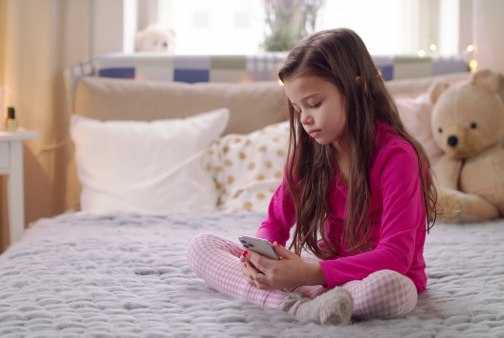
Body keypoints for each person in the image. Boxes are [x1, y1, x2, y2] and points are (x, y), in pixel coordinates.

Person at [187, 28, 437, 325]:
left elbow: (395, 257)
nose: (304, 119)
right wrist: (261, 258)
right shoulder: (309, 153)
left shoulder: (397, 156)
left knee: (393, 289)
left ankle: (299, 300)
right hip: (322, 279)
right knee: (201, 246)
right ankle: (304, 306)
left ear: (356, 89)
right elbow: (275, 223)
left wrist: (307, 274)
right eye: (297, 108)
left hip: (370, 279)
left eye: (315, 104)